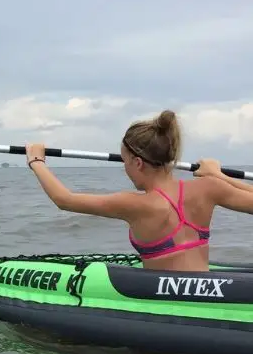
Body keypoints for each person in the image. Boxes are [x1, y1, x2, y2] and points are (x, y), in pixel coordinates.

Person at [23, 109, 253, 272]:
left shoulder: (134, 204)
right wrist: (218, 175)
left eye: (125, 161)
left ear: (138, 163)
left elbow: (65, 200)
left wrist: (36, 161)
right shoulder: (208, 187)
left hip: (167, 303)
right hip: (205, 291)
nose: (125, 169)